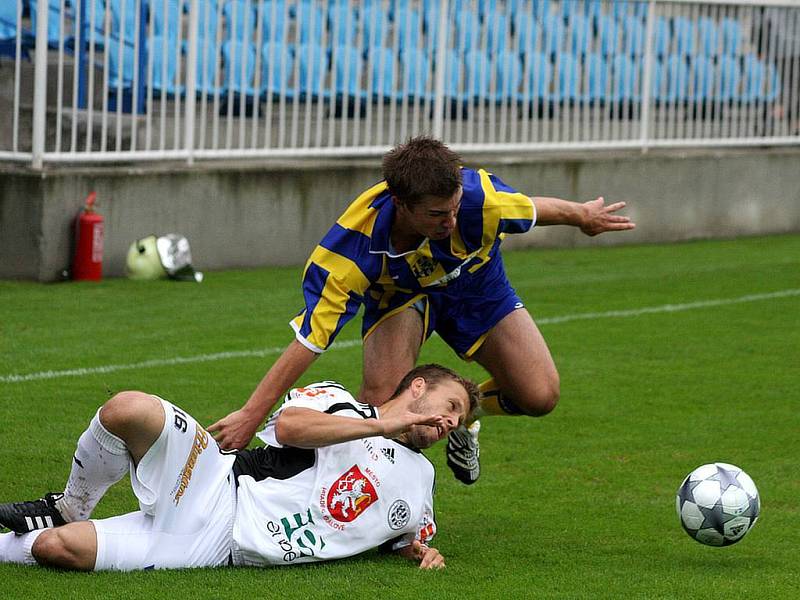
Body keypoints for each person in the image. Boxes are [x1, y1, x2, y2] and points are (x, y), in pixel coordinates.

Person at [209, 136, 635, 484]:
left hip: (477, 283)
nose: (449, 221)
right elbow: (309, 342)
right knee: (386, 408)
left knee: (540, 396)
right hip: (401, 298)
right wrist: (252, 413)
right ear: (399, 201)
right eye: (435, 214)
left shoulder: (477, 200)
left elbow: (537, 208)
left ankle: (465, 416)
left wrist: (582, 216)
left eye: (453, 209)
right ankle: (361, 504)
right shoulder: (347, 254)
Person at [0, 364, 477, 571]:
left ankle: (46, 533)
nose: (451, 421)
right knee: (127, 409)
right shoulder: (339, 402)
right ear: (418, 387)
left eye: (460, 420)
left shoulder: (423, 481)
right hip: (217, 483)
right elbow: (290, 427)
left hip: (216, 548)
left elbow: (399, 538)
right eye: (450, 404)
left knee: (55, 548)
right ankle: (70, 505)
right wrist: (381, 424)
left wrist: (419, 553)